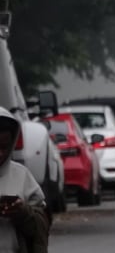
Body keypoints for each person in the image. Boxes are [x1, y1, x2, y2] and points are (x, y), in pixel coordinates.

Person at [0, 108, 49, 252]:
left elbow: (40, 227)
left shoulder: (22, 176)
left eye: (5, 147)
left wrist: (21, 211)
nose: (0, 153)